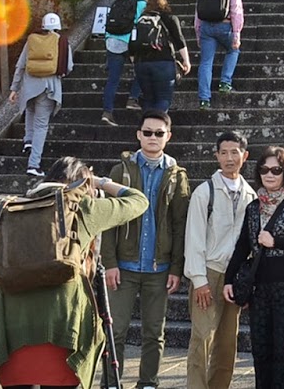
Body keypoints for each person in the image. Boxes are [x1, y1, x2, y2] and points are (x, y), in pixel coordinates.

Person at [0, 156, 147, 389]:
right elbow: (138, 201)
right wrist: (101, 181)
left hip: (11, 331)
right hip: (63, 328)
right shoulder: (83, 207)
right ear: (82, 183)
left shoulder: (11, 209)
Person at [101, 111, 192, 389]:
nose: (153, 138)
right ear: (138, 134)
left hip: (159, 268)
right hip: (124, 266)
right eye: (148, 132)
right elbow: (109, 221)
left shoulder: (177, 176)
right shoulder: (122, 171)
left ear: (168, 137)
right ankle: (111, 382)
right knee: (115, 329)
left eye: (159, 133)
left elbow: (180, 224)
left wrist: (177, 267)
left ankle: (148, 382)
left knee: (154, 331)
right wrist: (109, 262)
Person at [224, 146, 284, 389]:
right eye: (264, 169)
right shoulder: (254, 207)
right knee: (261, 347)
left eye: (276, 169)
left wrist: (277, 241)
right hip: (260, 287)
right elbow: (243, 245)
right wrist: (228, 280)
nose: (270, 174)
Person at [184, 131, 257, 389]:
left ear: (244, 156)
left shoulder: (252, 196)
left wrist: (247, 283)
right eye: (224, 152)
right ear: (216, 155)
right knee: (202, 339)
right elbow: (193, 238)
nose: (229, 158)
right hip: (209, 272)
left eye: (235, 152)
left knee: (228, 342)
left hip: (235, 277)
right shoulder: (204, 192)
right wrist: (199, 280)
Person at [9, 12, 70, 179]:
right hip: (49, 87)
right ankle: (33, 165)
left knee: (30, 110)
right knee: (41, 125)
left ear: (43, 25)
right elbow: (68, 66)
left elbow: (20, 65)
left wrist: (14, 89)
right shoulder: (62, 41)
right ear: (57, 26)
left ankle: (28, 140)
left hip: (29, 86)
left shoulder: (32, 40)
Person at [103, 0, 152, 127]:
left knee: (112, 80)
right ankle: (133, 98)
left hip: (112, 41)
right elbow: (141, 27)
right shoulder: (143, 5)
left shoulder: (120, 1)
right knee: (143, 70)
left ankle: (107, 112)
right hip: (129, 42)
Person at [196, 0, 245, 109]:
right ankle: (225, 82)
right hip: (225, 25)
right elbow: (236, 10)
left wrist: (198, 33)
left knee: (206, 62)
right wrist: (237, 33)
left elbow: (198, 12)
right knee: (233, 50)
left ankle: (204, 99)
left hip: (206, 27)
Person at [133, 0, 191, 113]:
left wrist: (135, 60)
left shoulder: (141, 19)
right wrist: (186, 61)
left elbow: (132, 43)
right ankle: (157, 126)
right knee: (163, 98)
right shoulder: (170, 18)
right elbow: (179, 40)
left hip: (141, 63)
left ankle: (146, 127)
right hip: (163, 63)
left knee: (148, 99)